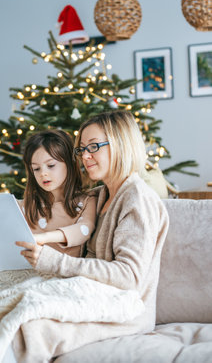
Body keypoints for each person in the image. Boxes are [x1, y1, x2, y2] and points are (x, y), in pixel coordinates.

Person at [16, 110, 169, 334]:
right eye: (82, 149)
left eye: (94, 146)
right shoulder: (99, 196)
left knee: (27, 326)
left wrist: (55, 262)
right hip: (89, 297)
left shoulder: (137, 198)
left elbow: (129, 276)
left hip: (124, 313)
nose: (85, 156)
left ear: (121, 144)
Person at [19, 129, 96, 257]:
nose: (43, 173)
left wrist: (45, 237)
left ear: (70, 163)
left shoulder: (87, 201)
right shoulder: (30, 204)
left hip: (64, 269)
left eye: (51, 165)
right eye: (36, 169)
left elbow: (84, 229)